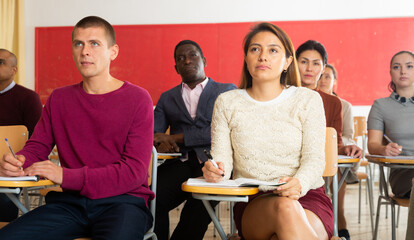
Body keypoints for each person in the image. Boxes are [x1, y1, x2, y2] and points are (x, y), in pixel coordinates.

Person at [0, 16, 154, 240]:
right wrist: (20, 160)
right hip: (70, 204)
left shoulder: (138, 98)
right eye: (78, 43)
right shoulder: (59, 98)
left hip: (123, 203)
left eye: (94, 43)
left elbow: (134, 172)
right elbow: (38, 146)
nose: (85, 51)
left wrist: (65, 175)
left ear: (113, 51)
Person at [203, 22, 333, 240]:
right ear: (246, 59)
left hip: (308, 196)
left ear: (287, 62)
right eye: (255, 49)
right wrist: (215, 170)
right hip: (254, 201)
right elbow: (223, 162)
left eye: (273, 50)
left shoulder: (307, 99)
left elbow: (314, 159)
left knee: (285, 221)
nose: (263, 56)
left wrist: (298, 184)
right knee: (285, 208)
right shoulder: (227, 102)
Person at [153, 40, 236, 240]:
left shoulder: (227, 91)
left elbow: (221, 131)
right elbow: (154, 133)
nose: (187, 60)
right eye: (180, 58)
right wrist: (160, 140)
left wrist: (176, 137)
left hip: (216, 165)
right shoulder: (167, 98)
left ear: (204, 60)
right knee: (152, 197)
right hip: (180, 164)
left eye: (193, 55)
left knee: (195, 210)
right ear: (176, 67)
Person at [296, 40, 362, 240]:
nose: (309, 68)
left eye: (316, 63)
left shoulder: (333, 103)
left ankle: (338, 221)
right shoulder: (280, 95)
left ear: (323, 68)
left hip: (313, 178)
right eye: (304, 61)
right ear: (293, 63)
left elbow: (335, 143)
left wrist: (348, 149)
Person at [0, 48, 42, 222]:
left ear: (13, 70)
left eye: (1, 62)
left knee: (3, 198)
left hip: (13, 166)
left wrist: (17, 163)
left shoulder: (28, 98)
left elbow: (38, 140)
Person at [368, 50, 414, 199]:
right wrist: (384, 149)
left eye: (409, 66)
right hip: (402, 174)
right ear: (390, 73)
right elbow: (372, 144)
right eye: (396, 67)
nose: (402, 71)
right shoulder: (380, 106)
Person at [318, 64, 360, 183]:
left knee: (335, 164)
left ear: (334, 81)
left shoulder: (344, 105)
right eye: (320, 76)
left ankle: (336, 202)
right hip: (317, 149)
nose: (322, 80)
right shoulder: (309, 101)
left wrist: (330, 143)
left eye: (327, 77)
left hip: (336, 147)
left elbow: (348, 136)